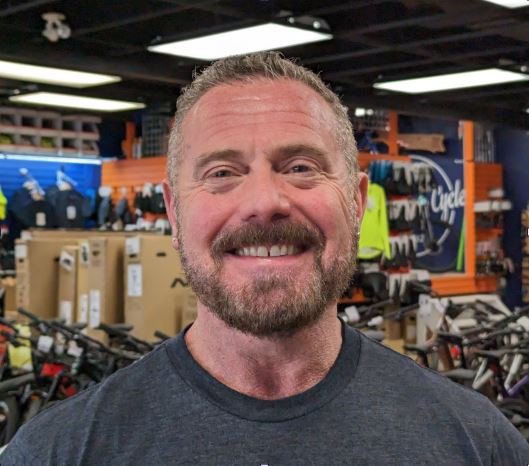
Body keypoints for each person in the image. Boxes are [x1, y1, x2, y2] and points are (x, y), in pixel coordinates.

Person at [2, 51, 529, 465]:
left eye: (300, 167)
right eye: (222, 173)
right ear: (173, 212)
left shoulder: (477, 443)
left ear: (356, 200)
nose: (264, 201)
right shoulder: (58, 452)